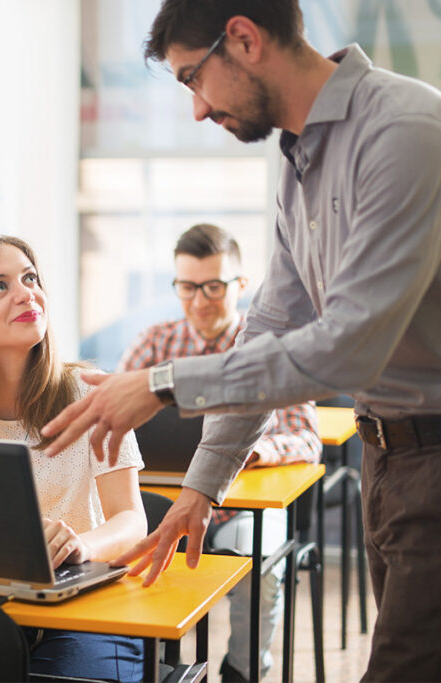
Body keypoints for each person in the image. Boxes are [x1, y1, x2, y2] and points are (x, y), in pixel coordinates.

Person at [41, 1, 441, 680]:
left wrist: (160, 384)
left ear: (242, 38)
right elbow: (271, 328)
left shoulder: (405, 133)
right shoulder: (303, 160)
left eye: (192, 79)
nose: (197, 112)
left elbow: (347, 348)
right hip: (391, 455)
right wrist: (201, 490)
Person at [0, 230, 148, 682]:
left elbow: (133, 521)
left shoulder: (89, 391)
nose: (26, 293)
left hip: (85, 608)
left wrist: (83, 546)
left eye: (30, 278)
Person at [118, 223, 320, 681]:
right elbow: (117, 419)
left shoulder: (269, 344)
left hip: (236, 508)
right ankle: (149, 668)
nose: (200, 299)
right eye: (187, 286)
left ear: (241, 285)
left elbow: (307, 437)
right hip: (159, 502)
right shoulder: (155, 342)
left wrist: (254, 450)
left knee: (260, 567)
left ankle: (244, 670)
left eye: (213, 285)